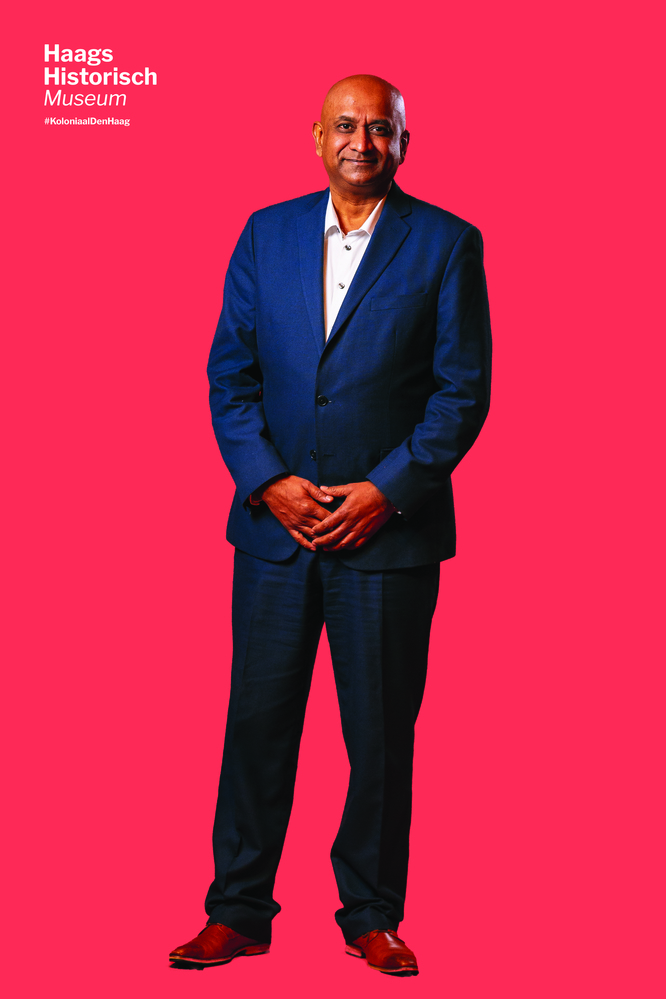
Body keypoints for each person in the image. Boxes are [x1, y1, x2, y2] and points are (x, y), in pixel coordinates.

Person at [169, 74, 491, 977]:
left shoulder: (447, 243)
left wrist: (387, 491)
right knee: (257, 721)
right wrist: (268, 482)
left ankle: (372, 913)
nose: (361, 140)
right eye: (345, 125)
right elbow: (230, 375)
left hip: (387, 537)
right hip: (275, 534)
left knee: (380, 733)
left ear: (403, 144)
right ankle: (238, 909)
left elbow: (462, 392)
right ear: (316, 137)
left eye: (379, 128)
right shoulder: (264, 233)